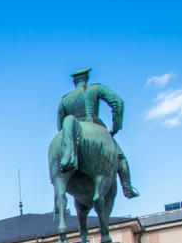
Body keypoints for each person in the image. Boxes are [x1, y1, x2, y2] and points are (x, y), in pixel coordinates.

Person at [57, 68, 139, 198]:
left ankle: (58, 197)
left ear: (74, 81)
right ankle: (128, 188)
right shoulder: (96, 88)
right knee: (120, 158)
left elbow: (60, 128)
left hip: (71, 135)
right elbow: (118, 103)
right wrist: (115, 128)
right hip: (96, 127)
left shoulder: (65, 100)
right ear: (87, 78)